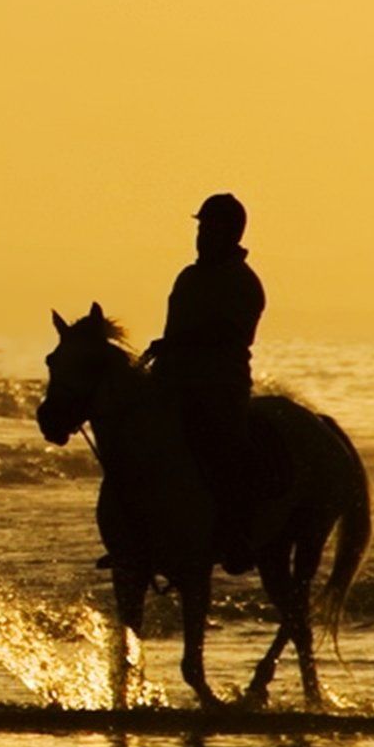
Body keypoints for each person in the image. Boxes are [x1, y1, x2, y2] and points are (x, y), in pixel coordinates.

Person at [149, 192, 276, 571]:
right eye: (201, 227)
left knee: (224, 450)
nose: (201, 235)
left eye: (209, 227)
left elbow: (229, 335)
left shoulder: (243, 283)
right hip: (175, 379)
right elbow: (174, 327)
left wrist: (178, 343)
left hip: (220, 384)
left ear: (231, 232)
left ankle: (236, 535)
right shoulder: (187, 277)